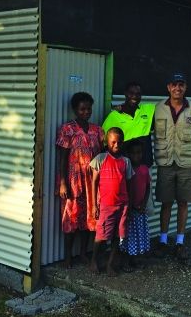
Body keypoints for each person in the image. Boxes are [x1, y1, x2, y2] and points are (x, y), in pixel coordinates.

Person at [153, 72, 191, 262]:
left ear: (185, 88)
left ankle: (180, 241)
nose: (177, 88)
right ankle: (163, 239)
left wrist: (188, 150)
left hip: (186, 163)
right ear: (168, 87)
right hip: (165, 162)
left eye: (181, 85)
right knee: (166, 202)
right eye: (174, 84)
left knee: (183, 202)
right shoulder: (157, 108)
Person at [56, 92, 104, 268]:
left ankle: (83, 253)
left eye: (89, 109)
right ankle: (68, 256)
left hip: (92, 182)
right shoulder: (67, 129)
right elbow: (62, 157)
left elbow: (102, 156)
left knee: (89, 218)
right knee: (71, 218)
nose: (86, 112)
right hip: (73, 180)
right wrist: (62, 182)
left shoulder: (97, 130)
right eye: (82, 109)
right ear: (75, 110)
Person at [89, 127, 133, 276]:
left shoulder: (126, 162)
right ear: (107, 142)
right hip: (106, 205)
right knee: (101, 235)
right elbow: (94, 182)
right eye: (113, 142)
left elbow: (128, 184)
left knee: (118, 235)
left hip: (123, 205)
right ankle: (94, 260)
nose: (116, 145)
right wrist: (94, 205)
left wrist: (130, 205)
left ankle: (110, 264)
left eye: (119, 142)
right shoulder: (101, 159)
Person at [102, 82, 154, 167]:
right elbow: (104, 143)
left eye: (138, 94)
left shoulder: (149, 110)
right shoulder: (114, 116)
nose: (134, 96)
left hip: (144, 165)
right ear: (125, 94)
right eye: (131, 93)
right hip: (124, 166)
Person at [120, 139, 151, 270]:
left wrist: (143, 203)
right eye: (133, 153)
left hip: (140, 209)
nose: (136, 156)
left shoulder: (144, 169)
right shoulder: (126, 169)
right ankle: (125, 261)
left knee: (138, 235)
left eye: (139, 153)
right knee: (128, 236)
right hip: (129, 209)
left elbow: (148, 186)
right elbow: (125, 189)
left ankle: (134, 259)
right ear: (128, 154)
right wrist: (130, 205)